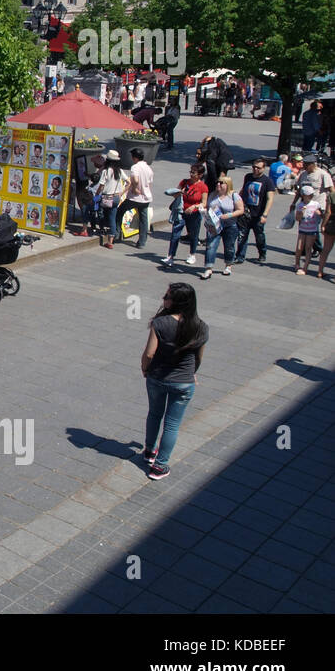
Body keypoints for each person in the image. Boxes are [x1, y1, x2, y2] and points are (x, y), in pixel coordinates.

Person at [140, 282, 208, 480]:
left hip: (157, 377)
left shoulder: (160, 323)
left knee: (154, 414)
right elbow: (199, 358)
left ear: (177, 302)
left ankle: (149, 451)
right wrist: (191, 373)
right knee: (172, 424)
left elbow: (149, 353)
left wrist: (145, 369)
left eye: (167, 297)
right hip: (184, 382)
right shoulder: (201, 328)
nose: (163, 299)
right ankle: (159, 467)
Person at [162, 164, 208, 268]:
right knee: (175, 234)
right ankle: (171, 256)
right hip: (181, 212)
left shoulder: (203, 187)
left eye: (194, 172)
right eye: (190, 172)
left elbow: (204, 203)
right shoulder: (184, 182)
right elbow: (175, 194)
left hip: (194, 214)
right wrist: (179, 193)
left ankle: (192, 254)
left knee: (193, 235)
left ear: (200, 175)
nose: (191, 174)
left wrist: (194, 207)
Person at [200, 175, 244, 279]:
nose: (218, 185)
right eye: (217, 183)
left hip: (230, 225)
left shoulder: (234, 195)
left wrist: (228, 215)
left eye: (221, 183)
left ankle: (228, 265)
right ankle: (208, 268)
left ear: (227, 185)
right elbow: (207, 206)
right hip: (214, 225)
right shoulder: (213, 195)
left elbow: (240, 209)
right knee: (210, 246)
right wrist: (203, 210)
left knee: (229, 246)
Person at [235, 158, 276, 264]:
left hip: (258, 214)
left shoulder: (267, 181)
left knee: (259, 236)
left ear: (263, 168)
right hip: (245, 213)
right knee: (242, 235)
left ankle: (262, 253)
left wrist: (265, 215)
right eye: (254, 167)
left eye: (258, 168)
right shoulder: (248, 177)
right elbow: (243, 191)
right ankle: (240, 256)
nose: (255, 169)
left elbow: (270, 198)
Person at [93, 150, 129, 249]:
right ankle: (110, 241)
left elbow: (101, 185)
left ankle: (102, 229)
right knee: (112, 217)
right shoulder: (120, 171)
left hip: (106, 197)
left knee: (100, 211)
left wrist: (97, 195)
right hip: (116, 197)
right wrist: (122, 192)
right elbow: (128, 182)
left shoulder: (106, 171)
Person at [294, 185, 323, 275]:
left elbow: (321, 215)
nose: (310, 196)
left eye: (311, 195)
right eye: (308, 195)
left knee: (308, 248)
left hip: (312, 230)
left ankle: (305, 267)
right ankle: (297, 264)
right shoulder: (300, 205)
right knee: (299, 248)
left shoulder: (316, 204)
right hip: (302, 229)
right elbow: (297, 218)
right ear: (303, 195)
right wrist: (301, 212)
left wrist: (319, 213)